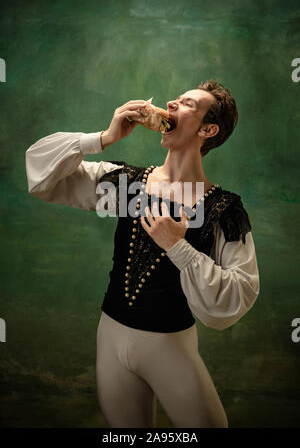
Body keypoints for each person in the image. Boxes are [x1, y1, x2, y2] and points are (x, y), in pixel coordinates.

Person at [25, 79, 260, 428]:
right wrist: (102, 139)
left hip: (170, 346)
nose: (171, 103)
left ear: (208, 129)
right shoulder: (127, 186)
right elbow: (43, 179)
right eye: (176, 99)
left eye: (188, 103)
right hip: (110, 338)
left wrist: (178, 247)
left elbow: (238, 295)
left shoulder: (223, 209)